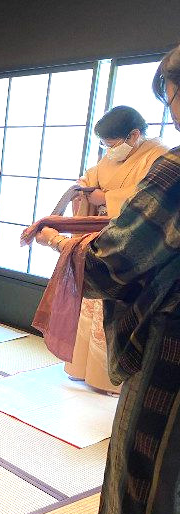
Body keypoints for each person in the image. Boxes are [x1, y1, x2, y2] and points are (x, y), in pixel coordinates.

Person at [36, 44, 180, 514]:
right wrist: (85, 200)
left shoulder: (169, 166)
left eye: (172, 95)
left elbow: (115, 261)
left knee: (150, 486)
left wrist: (61, 242)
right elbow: (91, 185)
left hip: (169, 346)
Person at [64, 106, 168, 394]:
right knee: (91, 302)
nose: (108, 151)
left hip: (128, 242)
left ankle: (109, 377)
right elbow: (90, 178)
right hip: (99, 234)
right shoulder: (113, 155)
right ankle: (82, 368)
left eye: (111, 144)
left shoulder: (157, 156)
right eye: (104, 145)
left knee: (115, 304)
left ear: (133, 135)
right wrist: (83, 189)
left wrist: (106, 199)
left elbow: (146, 200)